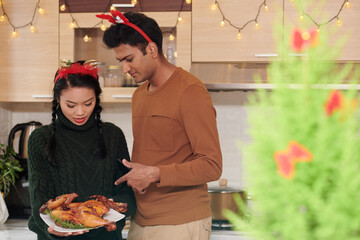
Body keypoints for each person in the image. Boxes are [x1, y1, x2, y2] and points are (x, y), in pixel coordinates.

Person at [97, 11, 223, 240]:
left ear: (152, 50)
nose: (125, 69)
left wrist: (154, 174)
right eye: (120, 61)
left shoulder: (189, 91)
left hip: (180, 221)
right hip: (142, 220)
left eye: (129, 59)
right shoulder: (139, 96)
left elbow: (211, 165)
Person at [27, 60, 136, 240]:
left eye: (88, 103)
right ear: (57, 100)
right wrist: (50, 230)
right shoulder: (40, 139)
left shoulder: (113, 135)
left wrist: (113, 210)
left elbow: (126, 192)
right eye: (71, 105)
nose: (80, 112)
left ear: (97, 99)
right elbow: (40, 200)